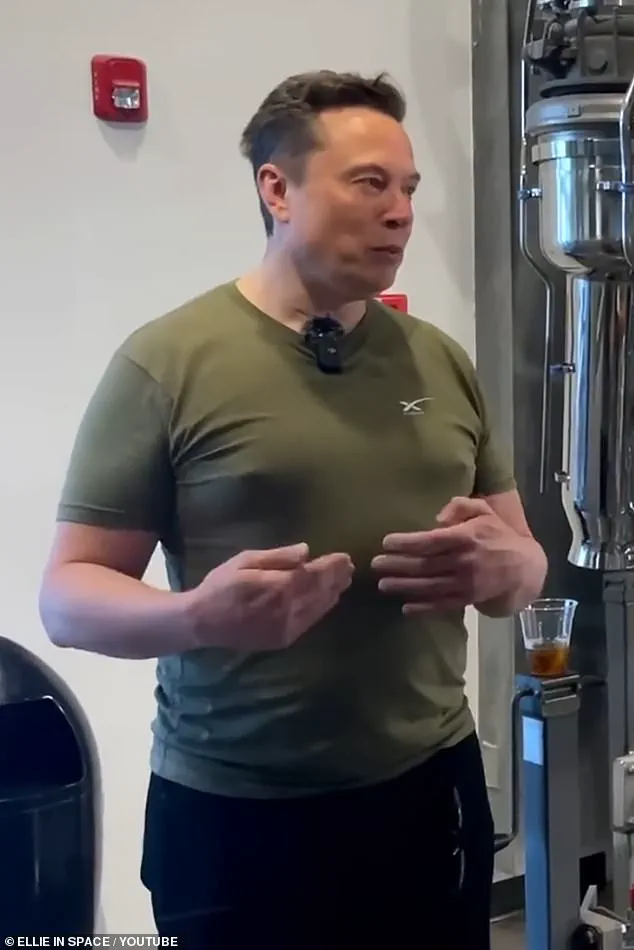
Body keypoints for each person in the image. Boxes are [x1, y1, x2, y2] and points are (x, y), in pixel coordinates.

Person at [39, 70, 547, 949]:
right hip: (238, 817)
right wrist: (198, 616)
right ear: (276, 189)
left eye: (409, 188)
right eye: (369, 183)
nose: (401, 213)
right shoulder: (169, 363)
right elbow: (67, 597)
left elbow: (523, 565)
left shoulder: (438, 360)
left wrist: (512, 569)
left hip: (430, 791)